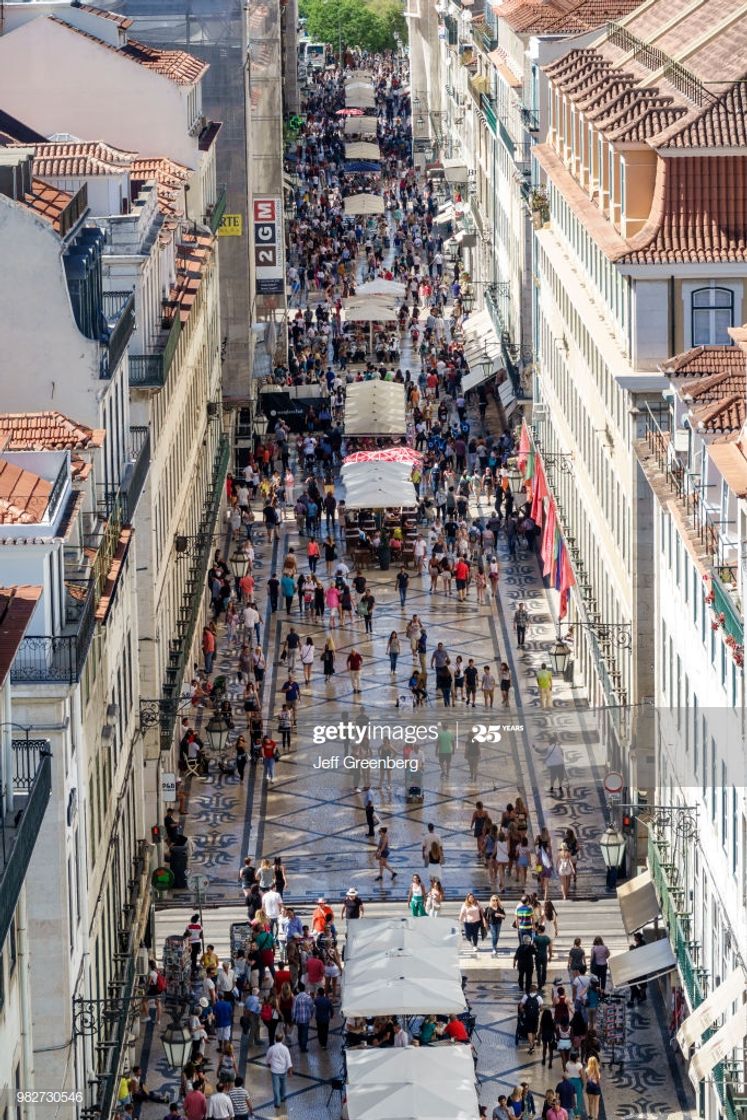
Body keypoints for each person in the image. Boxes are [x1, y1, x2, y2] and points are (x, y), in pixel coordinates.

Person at [266, 1031, 293, 1110]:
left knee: (276, 1087)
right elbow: (288, 1060)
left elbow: (268, 1057)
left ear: (275, 1039)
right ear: (282, 1039)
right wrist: (290, 1070)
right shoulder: (285, 1049)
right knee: (283, 1085)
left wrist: (268, 1064)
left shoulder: (271, 1048)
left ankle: (277, 1103)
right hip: (283, 1070)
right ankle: (282, 1097)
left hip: (274, 1070)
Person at [519, 984, 543, 1053]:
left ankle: (531, 1045)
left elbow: (520, 1007)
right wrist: (538, 1010)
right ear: (536, 990)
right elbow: (541, 1008)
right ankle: (533, 1043)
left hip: (528, 1016)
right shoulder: (539, 997)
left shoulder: (525, 996)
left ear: (530, 990)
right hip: (535, 1016)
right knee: (534, 1031)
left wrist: (525, 1012)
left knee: (529, 1031)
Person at [292, 984, 314, 1052]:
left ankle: (300, 1044)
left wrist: (293, 1018)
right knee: (305, 1032)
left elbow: (293, 1009)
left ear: (298, 989)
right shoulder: (308, 997)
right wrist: (311, 1015)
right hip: (306, 1018)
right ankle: (303, 1046)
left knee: (300, 1032)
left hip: (298, 1019)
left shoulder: (296, 998)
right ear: (304, 989)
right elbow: (311, 1007)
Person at [533, 924, 552, 990]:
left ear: (540, 930)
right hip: (544, 956)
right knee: (544, 969)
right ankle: (543, 981)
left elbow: (534, 947)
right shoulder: (547, 938)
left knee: (538, 970)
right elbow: (550, 948)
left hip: (538, 956)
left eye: (538, 929)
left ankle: (539, 984)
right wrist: (550, 956)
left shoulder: (536, 938)